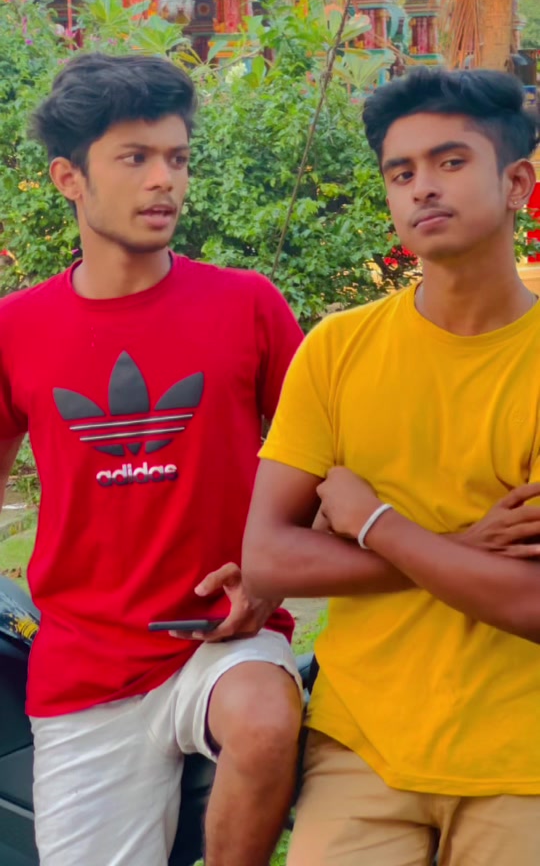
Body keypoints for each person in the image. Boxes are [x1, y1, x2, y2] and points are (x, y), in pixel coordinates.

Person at [0, 52, 304, 866]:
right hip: (84, 666)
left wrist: (268, 578)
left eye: (177, 157)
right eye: (135, 158)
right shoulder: (16, 328)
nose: (164, 179)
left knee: (265, 721)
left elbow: (326, 468)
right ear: (69, 178)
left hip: (226, 635)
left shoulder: (247, 304)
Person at [243, 68, 540, 866]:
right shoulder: (337, 349)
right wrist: (466, 546)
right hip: (362, 744)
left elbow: (533, 602)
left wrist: (374, 523)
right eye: (400, 172)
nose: (421, 188)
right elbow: (267, 557)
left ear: (517, 183)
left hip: (523, 756)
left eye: (450, 161)